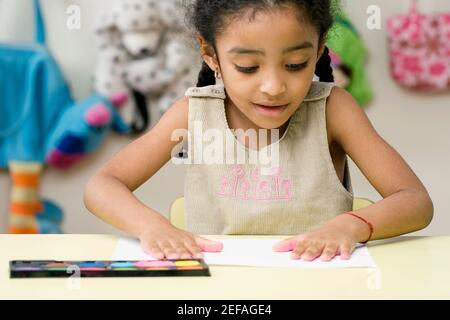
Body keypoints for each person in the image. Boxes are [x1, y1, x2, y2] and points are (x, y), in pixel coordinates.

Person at [84, 0, 433, 262]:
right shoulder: (193, 112)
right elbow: (101, 186)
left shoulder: (333, 110)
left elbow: (415, 201)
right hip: (216, 290)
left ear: (320, 48)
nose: (273, 86)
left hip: (317, 287)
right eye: (248, 67)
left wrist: (352, 225)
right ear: (211, 54)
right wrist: (150, 226)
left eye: (295, 64)